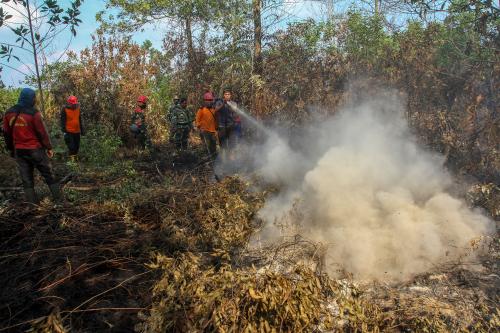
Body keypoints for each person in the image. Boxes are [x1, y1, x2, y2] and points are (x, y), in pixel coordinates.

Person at [2, 88, 61, 203]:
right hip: (35, 150)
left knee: (26, 179)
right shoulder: (34, 113)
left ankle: (32, 205)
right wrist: (48, 147)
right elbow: (42, 132)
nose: (35, 100)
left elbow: (6, 133)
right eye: (34, 97)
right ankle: (59, 200)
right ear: (31, 98)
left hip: (19, 151)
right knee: (48, 174)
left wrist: (11, 149)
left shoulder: (9, 113)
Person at [195, 92, 218, 160]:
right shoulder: (201, 109)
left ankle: (214, 160)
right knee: (206, 147)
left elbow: (215, 120)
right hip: (205, 131)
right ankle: (207, 161)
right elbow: (197, 120)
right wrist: (200, 127)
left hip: (213, 131)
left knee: (213, 147)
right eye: (208, 100)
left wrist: (216, 129)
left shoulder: (213, 110)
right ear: (205, 101)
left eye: (211, 100)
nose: (209, 102)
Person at [60, 95, 84, 160]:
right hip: (69, 131)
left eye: (74, 104)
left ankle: (75, 159)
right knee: (71, 147)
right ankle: (72, 162)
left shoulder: (78, 109)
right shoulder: (64, 109)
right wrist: (64, 131)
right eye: (72, 104)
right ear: (69, 103)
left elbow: (79, 119)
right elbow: (62, 120)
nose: (73, 105)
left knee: (77, 146)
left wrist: (82, 130)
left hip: (77, 131)